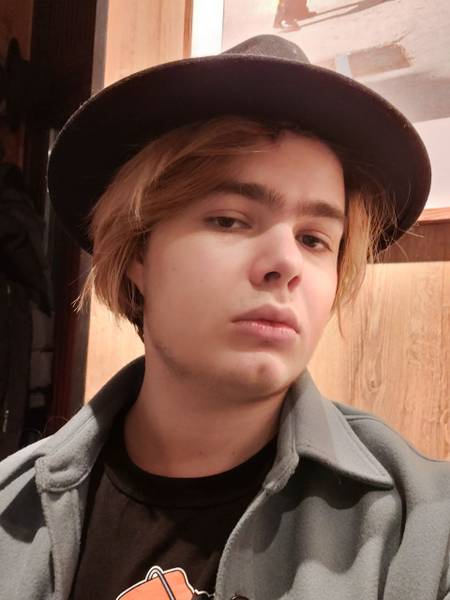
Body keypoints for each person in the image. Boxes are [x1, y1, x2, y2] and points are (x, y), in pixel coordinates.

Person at [0, 34, 449, 600]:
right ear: (138, 252)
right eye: (230, 220)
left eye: (314, 239)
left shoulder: (423, 530)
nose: (285, 263)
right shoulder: (13, 512)